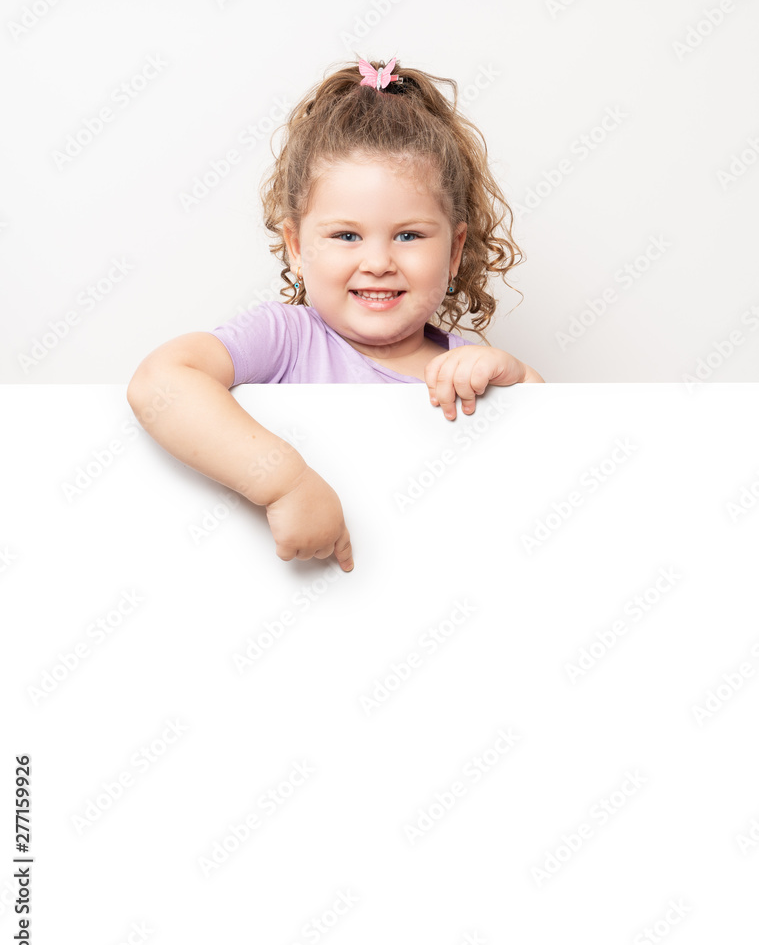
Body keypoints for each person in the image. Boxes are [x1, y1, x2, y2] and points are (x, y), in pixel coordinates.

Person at [127, 56, 544, 575]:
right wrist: (285, 482)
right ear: (297, 247)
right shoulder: (286, 339)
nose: (377, 262)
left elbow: (550, 464)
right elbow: (159, 383)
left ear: (455, 251)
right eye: (347, 235)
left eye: (409, 235)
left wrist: (518, 380)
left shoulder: (468, 372)